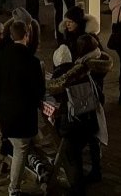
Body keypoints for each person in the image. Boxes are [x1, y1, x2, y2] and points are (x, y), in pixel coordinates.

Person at [48, 35, 112, 193]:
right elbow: (99, 95)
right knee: (92, 141)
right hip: (90, 118)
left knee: (72, 151)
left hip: (73, 123)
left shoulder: (70, 74)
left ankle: (78, 185)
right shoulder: (88, 68)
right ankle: (95, 172)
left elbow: (55, 93)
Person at [0, 19, 46, 196]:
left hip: (6, 112)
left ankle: (38, 166)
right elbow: (39, 91)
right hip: (23, 115)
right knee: (21, 149)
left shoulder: (1, 56)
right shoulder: (32, 61)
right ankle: (14, 189)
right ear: (27, 35)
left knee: (22, 145)